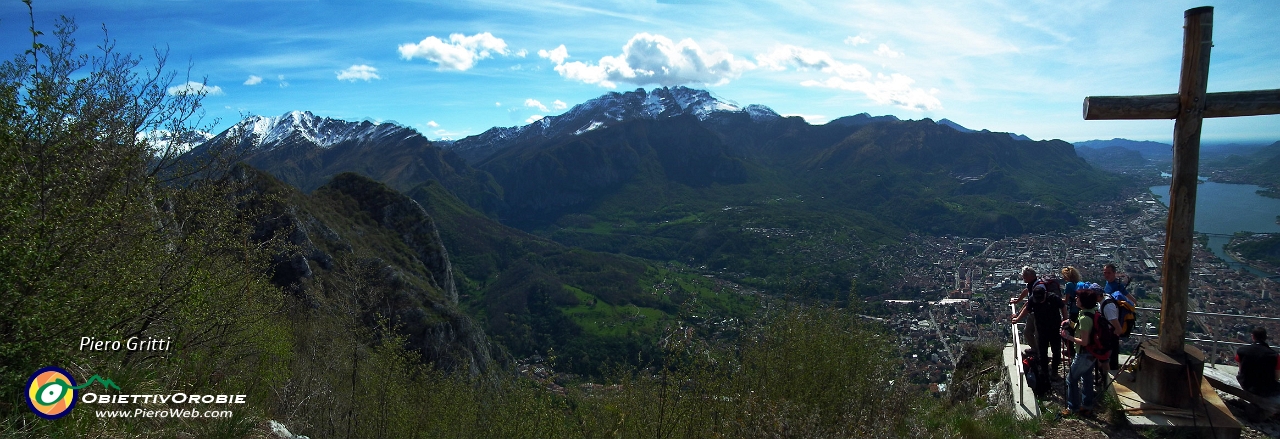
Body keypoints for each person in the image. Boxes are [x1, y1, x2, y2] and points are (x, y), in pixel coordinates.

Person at [1012, 283, 1068, 381]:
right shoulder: (1033, 299)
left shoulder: (1053, 298)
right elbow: (1027, 309)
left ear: (1045, 294)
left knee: (1056, 350)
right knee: (1042, 352)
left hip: (1054, 328)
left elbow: (1063, 307)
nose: (1040, 301)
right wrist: (1017, 318)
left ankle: (1054, 370)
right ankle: (1044, 372)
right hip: (1041, 329)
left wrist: (1065, 320)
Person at [1061, 290, 1102, 417]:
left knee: (1071, 379)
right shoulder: (1091, 313)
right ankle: (1087, 406)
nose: (1076, 299)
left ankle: (1072, 407)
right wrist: (1070, 324)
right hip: (1091, 353)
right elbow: (1083, 330)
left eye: (1078, 298)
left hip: (1083, 353)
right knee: (1087, 378)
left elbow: (1084, 341)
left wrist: (1068, 337)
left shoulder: (1084, 318)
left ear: (1083, 302)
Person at [1235, 327, 1280, 397]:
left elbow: (1241, 370)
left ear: (1252, 337)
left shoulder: (1241, 351)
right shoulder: (1274, 355)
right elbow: (1277, 377)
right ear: (1265, 338)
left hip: (1246, 384)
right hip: (1266, 389)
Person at [1010, 266, 1040, 351]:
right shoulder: (1032, 284)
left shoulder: (1037, 288)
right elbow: (1026, 291)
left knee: (1038, 335)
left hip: (1039, 314)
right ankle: (1035, 349)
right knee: (1027, 332)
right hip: (1032, 313)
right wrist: (1018, 300)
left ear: (1031, 276)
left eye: (1025, 276)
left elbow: (1028, 305)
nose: (1023, 278)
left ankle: (1040, 354)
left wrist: (1018, 318)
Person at [1060, 266, 1083, 357]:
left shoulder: (1069, 285)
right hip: (1080, 311)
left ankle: (1071, 350)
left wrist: (1055, 299)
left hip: (1073, 312)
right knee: (1075, 330)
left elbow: (1065, 300)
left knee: (1065, 331)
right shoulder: (1077, 284)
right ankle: (1074, 349)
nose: (1063, 277)